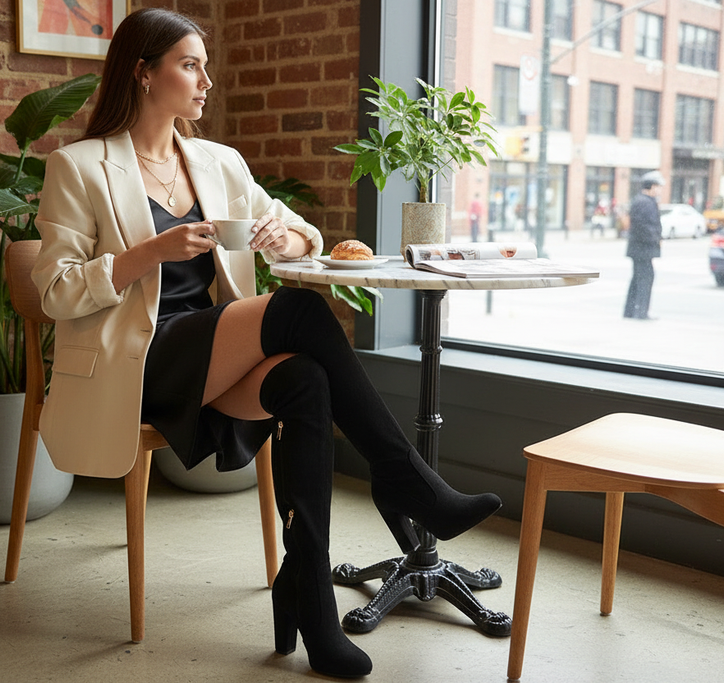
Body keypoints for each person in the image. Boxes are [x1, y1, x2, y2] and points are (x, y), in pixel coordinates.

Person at [30, 8, 502, 678]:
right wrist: (148, 253)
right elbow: (55, 291)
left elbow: (304, 233)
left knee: (304, 379)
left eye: (204, 65)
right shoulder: (78, 167)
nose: (206, 81)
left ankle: (308, 594)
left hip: (212, 351)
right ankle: (403, 478)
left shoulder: (217, 162)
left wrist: (289, 239)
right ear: (143, 72)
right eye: (189, 65)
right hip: (140, 361)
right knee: (302, 313)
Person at [623, 170, 664, 320]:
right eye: (659, 186)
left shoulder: (642, 201)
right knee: (645, 279)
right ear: (652, 186)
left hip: (640, 249)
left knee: (638, 279)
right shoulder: (644, 202)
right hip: (642, 249)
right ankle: (640, 312)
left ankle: (630, 312)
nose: (660, 190)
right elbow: (643, 227)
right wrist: (655, 238)